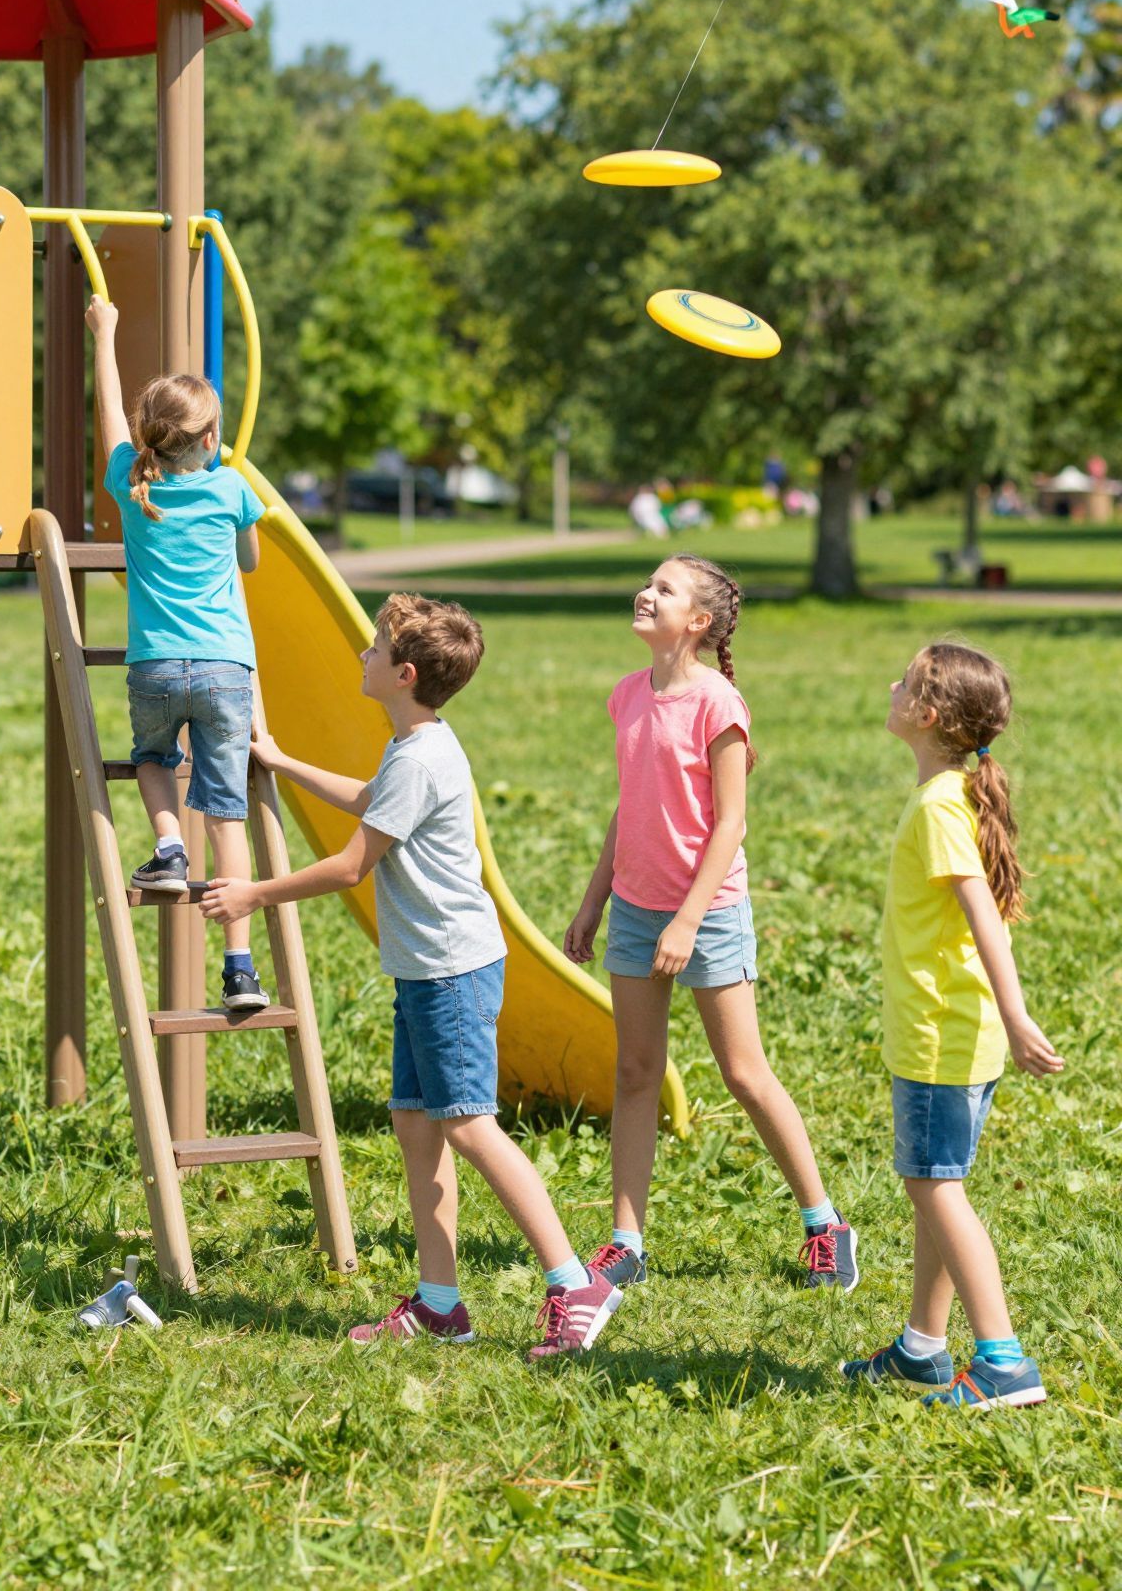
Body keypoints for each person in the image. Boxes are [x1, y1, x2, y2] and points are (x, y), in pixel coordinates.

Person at [200, 592, 622, 1361]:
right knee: (416, 1123)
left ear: (400, 673)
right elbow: (372, 803)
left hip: (451, 973)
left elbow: (354, 863)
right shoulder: (416, 745)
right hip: (426, 970)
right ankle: (439, 1304)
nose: (359, 658)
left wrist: (253, 894)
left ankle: (573, 1282)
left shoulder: (424, 755)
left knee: (466, 1123)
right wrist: (284, 760)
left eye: (369, 651)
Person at [564, 555, 859, 1294]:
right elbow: (628, 809)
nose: (646, 592)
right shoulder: (627, 696)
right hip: (635, 910)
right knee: (635, 1073)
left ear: (697, 622)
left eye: (664, 589)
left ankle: (825, 1225)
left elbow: (730, 823)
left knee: (743, 1073)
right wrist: (594, 901)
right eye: (649, 581)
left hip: (710, 911)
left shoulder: (718, 704)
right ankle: (625, 1241)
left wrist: (688, 921)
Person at [842, 643, 1062, 1409]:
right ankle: (923, 1350)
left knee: (934, 1187)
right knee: (939, 1184)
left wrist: (1016, 1009)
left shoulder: (940, 805)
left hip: (943, 1034)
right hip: (954, 1032)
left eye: (903, 680)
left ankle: (1002, 1360)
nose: (890, 682)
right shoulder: (950, 791)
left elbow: (982, 916)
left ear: (927, 716)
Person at [85, 297, 269, 1012]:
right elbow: (249, 563)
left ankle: (167, 849)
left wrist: (106, 337)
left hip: (156, 664)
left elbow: (109, 424)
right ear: (212, 436)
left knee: (154, 759)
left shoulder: (136, 484)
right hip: (226, 670)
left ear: (150, 440)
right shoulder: (232, 488)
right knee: (227, 816)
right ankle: (241, 971)